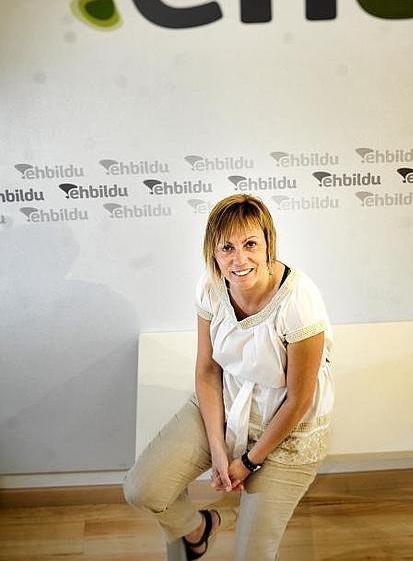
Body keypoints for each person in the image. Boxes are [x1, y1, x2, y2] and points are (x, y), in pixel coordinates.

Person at [124, 194, 334, 560]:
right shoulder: (210, 286)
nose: (239, 259)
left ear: (268, 243)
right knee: (142, 490)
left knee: (252, 556)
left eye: (250, 244)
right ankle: (199, 528)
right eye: (227, 248)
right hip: (229, 401)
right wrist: (219, 449)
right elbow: (207, 369)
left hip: (288, 429)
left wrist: (248, 462)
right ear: (213, 252)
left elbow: (298, 399)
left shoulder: (299, 300)